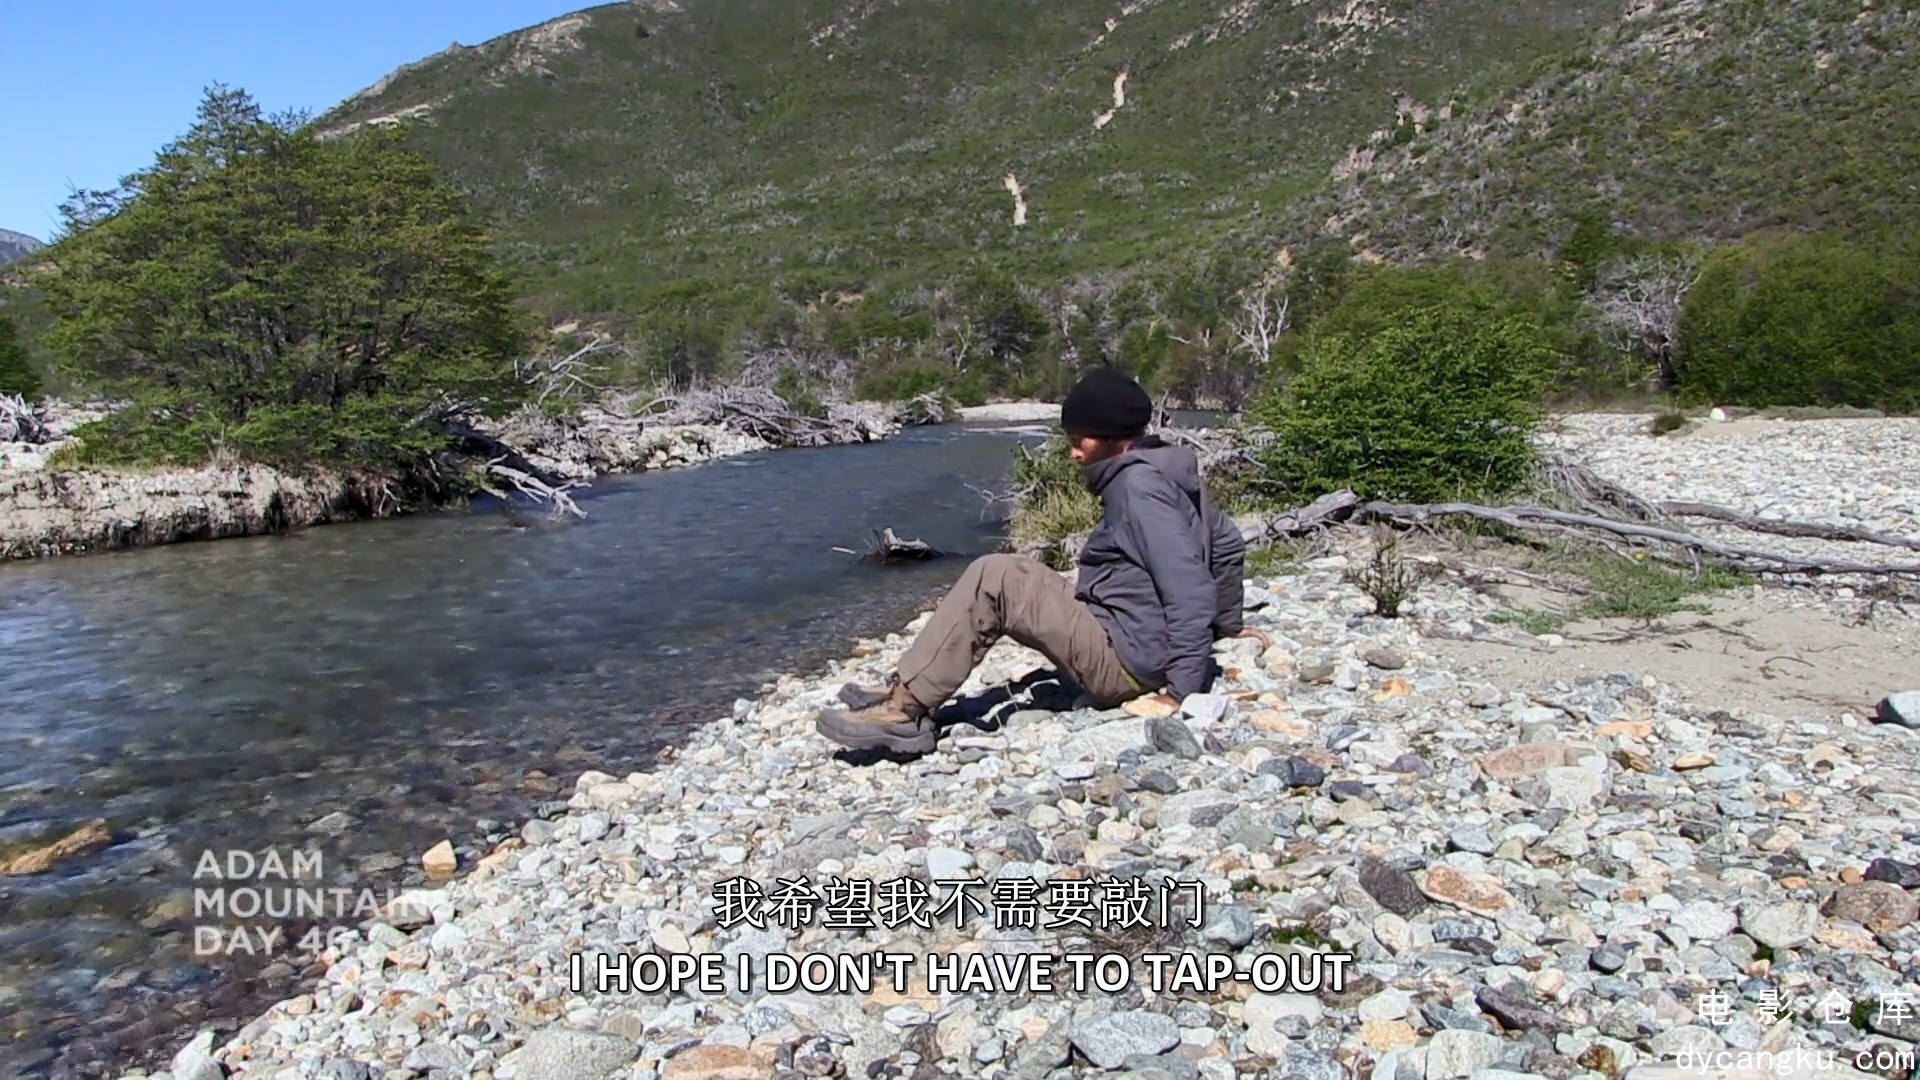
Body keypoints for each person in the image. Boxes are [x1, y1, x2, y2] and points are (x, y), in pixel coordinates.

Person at [815, 365, 1255, 755]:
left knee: (995, 576)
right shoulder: (1168, 471)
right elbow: (1226, 544)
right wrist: (1228, 627)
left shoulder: (1138, 489)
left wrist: (1180, 692)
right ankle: (909, 685)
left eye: (1079, 441)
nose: (1074, 453)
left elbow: (1189, 587)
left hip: (1129, 664)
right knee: (1019, 571)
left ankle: (904, 712)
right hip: (1134, 641)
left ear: (1112, 439)